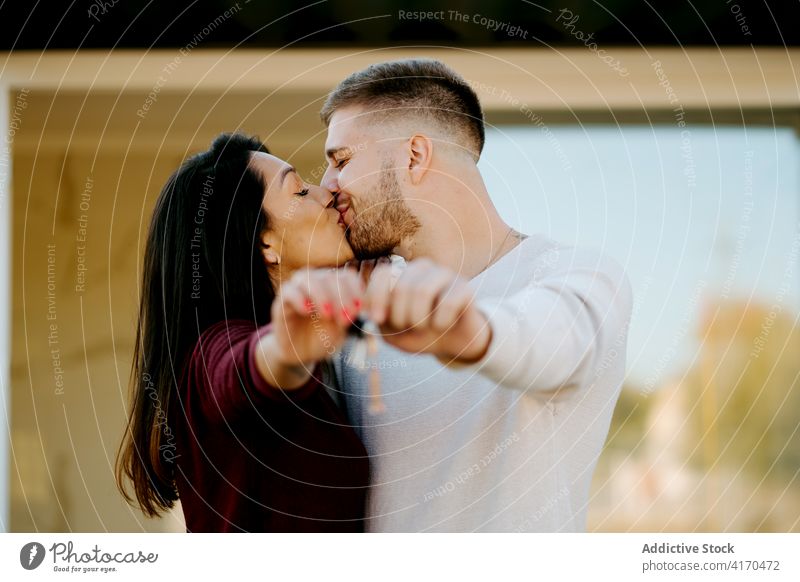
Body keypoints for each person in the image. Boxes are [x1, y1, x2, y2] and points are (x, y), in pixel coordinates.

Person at [320, 58, 634, 531]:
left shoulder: (576, 275)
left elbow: (554, 338)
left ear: (415, 156)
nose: (327, 187)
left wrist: (466, 332)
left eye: (341, 160)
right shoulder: (359, 307)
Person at [115, 133, 371, 532]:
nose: (325, 193)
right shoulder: (211, 354)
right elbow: (242, 371)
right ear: (265, 242)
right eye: (300, 191)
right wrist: (284, 351)